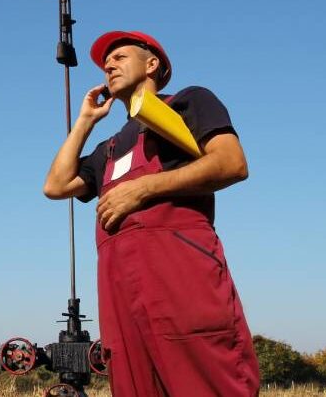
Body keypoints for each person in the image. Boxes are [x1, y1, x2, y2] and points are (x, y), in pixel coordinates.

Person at [44, 30, 261, 397]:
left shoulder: (188, 102)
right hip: (120, 294)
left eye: (119, 56)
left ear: (152, 63)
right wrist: (85, 122)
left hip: (180, 278)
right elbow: (56, 186)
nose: (108, 64)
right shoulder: (108, 148)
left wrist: (144, 188)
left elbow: (232, 162)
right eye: (104, 62)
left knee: (207, 381)